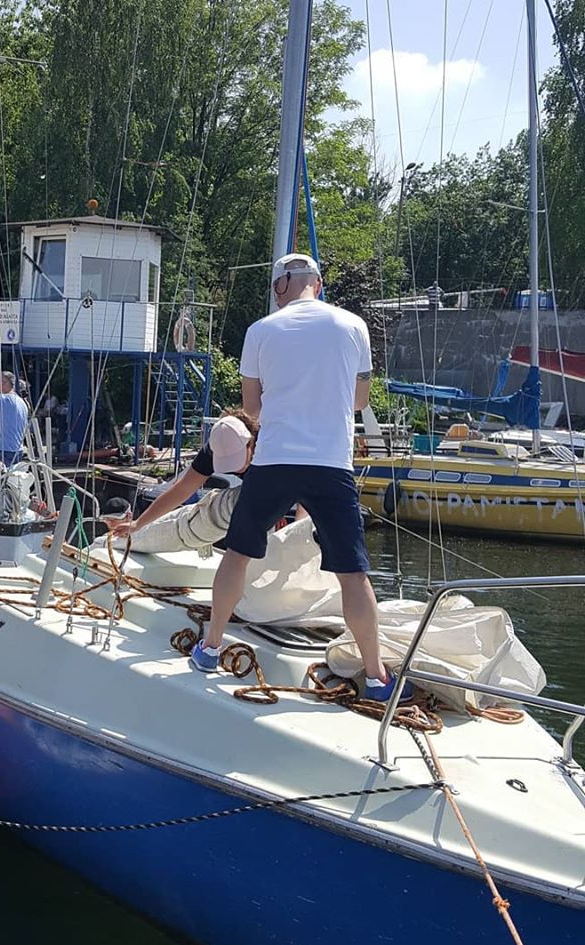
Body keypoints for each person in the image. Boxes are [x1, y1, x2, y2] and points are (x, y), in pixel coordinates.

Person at [191, 254, 411, 705]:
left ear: (280, 286)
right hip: (331, 464)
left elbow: (252, 409)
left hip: (275, 460)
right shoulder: (354, 326)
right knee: (353, 573)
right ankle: (376, 676)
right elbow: (359, 400)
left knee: (237, 554)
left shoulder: (260, 331)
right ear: (318, 284)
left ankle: (210, 648)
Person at [109, 412, 264, 539]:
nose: (236, 469)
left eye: (235, 460)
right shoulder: (211, 451)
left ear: (250, 443)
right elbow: (182, 489)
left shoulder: (269, 447)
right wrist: (138, 524)